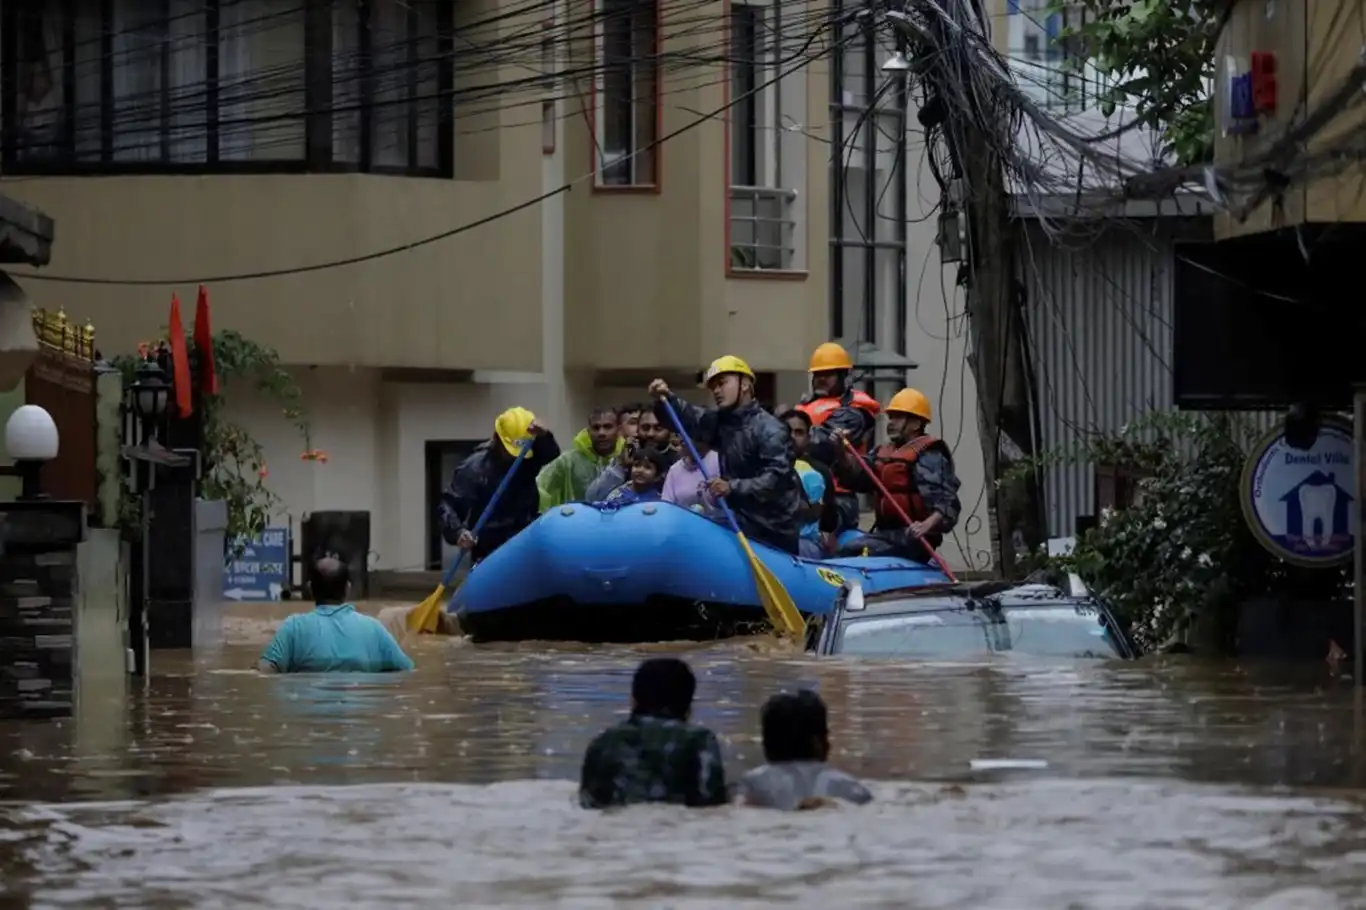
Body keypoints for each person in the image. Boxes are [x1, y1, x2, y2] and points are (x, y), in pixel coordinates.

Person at [648, 355, 805, 554]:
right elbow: (690, 417)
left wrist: (732, 487)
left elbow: (776, 479)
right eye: (713, 386)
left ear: (745, 384)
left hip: (773, 529)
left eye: (722, 383)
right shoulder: (723, 422)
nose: (716, 391)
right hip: (739, 519)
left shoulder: (771, 429)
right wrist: (666, 399)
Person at [579, 657, 728, 809]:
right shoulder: (698, 739)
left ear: (633, 699)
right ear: (688, 704)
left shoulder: (604, 741)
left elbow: (587, 802)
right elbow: (712, 803)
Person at [834, 388, 961, 562]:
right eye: (891, 417)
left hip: (915, 538)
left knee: (854, 549)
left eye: (898, 417)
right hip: (886, 533)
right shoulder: (884, 451)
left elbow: (948, 503)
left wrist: (925, 526)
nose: (891, 422)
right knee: (846, 548)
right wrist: (841, 451)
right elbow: (858, 479)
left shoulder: (929, 455)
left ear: (916, 424)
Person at [437, 406, 560, 563]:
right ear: (497, 439)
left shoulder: (527, 457)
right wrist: (458, 532)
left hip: (525, 540)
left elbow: (551, 455)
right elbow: (448, 505)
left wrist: (544, 436)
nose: (513, 456)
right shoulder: (474, 468)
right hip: (489, 549)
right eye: (509, 450)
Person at [259, 554, 415, 674]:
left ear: (310, 589)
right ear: (348, 588)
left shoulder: (293, 627)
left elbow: (265, 670)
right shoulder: (374, 629)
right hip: (360, 711)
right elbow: (407, 670)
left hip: (309, 710)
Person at [734, 690, 872, 810]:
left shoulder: (752, 783)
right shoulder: (852, 786)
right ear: (819, 743)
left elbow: (738, 812)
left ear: (766, 745)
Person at [797, 343, 882, 530]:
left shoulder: (855, 412)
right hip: (801, 489)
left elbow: (822, 446)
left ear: (843, 376)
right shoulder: (807, 406)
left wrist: (787, 433)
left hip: (838, 498)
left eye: (828, 374)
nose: (821, 379)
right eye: (818, 375)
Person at [536, 407, 623, 509]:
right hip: (575, 522)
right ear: (588, 432)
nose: (601, 433)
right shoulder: (568, 461)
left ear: (619, 430)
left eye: (608, 427)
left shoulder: (626, 460)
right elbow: (539, 487)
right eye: (596, 428)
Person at [661, 435, 719, 511]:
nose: (683, 442)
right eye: (681, 438)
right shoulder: (674, 470)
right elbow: (666, 504)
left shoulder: (719, 460)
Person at [601, 445, 668, 505]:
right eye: (636, 465)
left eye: (648, 467)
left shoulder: (659, 501)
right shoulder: (618, 494)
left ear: (657, 476)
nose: (640, 470)